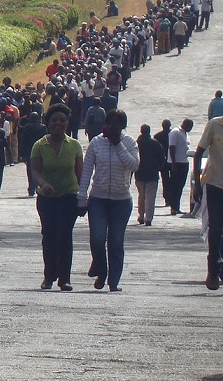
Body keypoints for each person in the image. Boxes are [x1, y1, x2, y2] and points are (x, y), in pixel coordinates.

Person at [79, 110, 139, 292]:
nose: (113, 128)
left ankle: (114, 281)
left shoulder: (129, 143)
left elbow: (134, 165)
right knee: (97, 238)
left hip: (121, 200)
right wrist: (82, 196)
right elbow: (87, 170)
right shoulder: (96, 143)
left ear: (123, 127)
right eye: (110, 124)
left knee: (115, 241)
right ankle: (101, 270)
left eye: (117, 125)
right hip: (98, 197)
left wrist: (118, 144)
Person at [31, 104, 83, 291]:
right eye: (54, 120)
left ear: (67, 123)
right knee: (49, 236)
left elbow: (80, 174)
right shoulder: (39, 146)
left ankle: (64, 279)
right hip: (46, 198)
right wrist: (43, 183)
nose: (58, 123)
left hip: (68, 196)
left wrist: (83, 198)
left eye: (62, 120)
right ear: (48, 123)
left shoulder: (75, 146)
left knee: (65, 236)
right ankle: (49, 276)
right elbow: (35, 171)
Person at [195, 109, 223, 290]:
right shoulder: (214, 124)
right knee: (215, 227)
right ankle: (212, 269)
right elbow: (198, 153)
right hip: (215, 183)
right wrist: (197, 184)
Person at [134, 124, 165, 227]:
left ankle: (141, 215)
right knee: (150, 197)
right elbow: (162, 157)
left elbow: (132, 158)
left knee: (141, 195)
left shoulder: (137, 143)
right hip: (152, 173)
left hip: (139, 173)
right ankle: (148, 218)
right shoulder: (155, 143)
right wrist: (158, 167)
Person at [164, 118, 193, 215]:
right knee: (175, 186)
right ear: (186, 124)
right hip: (177, 163)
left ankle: (177, 206)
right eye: (190, 127)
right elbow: (172, 147)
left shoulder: (185, 134)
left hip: (184, 162)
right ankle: (173, 206)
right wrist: (173, 163)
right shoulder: (176, 132)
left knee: (180, 186)